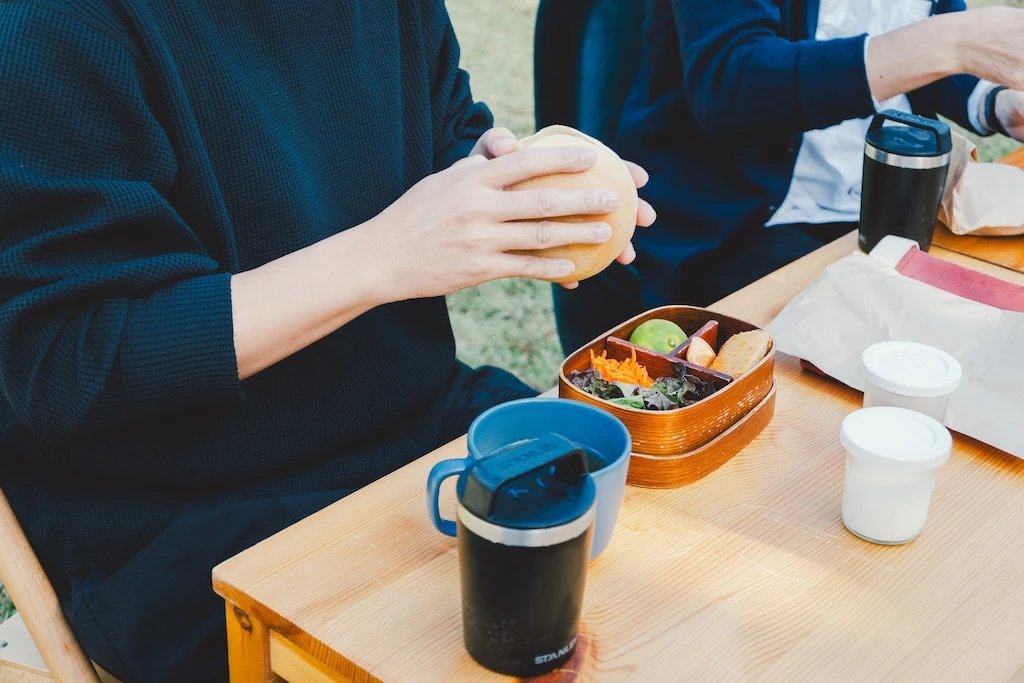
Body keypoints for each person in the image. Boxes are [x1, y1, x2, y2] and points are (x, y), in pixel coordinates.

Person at [0, 1, 655, 680]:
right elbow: (70, 360)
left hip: (419, 427)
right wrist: (382, 256)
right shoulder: (54, 26)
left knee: (666, 565)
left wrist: (506, 186)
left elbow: (446, 129)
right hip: (187, 522)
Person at [553, 0, 1024, 354]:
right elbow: (732, 83)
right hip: (741, 227)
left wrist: (997, 102)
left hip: (883, 210)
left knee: (984, 335)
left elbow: (914, 56)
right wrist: (953, 42)